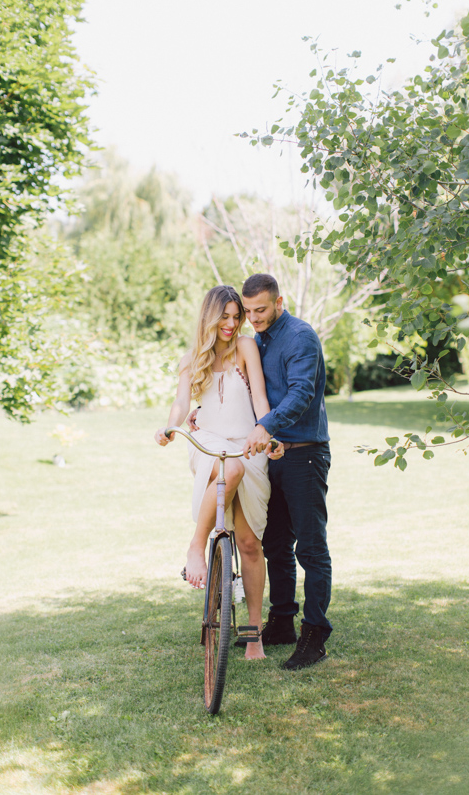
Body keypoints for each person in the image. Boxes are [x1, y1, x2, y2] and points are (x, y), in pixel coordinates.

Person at [154, 285, 282, 661]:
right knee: (230, 466)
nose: (230, 324)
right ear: (209, 317)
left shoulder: (245, 348)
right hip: (209, 442)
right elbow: (181, 402)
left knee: (248, 544)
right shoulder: (191, 358)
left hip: (247, 442)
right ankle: (197, 545)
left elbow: (259, 396)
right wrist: (169, 427)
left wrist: (268, 432)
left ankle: (253, 635)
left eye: (235, 316)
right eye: (223, 316)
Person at [240, 273, 333, 671]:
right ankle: (281, 621)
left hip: (304, 454)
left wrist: (266, 427)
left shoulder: (300, 336)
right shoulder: (257, 339)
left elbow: (301, 394)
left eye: (260, 309)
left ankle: (315, 634)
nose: (253, 318)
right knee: (275, 544)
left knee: (310, 548)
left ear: (280, 301)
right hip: (271, 456)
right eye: (248, 312)